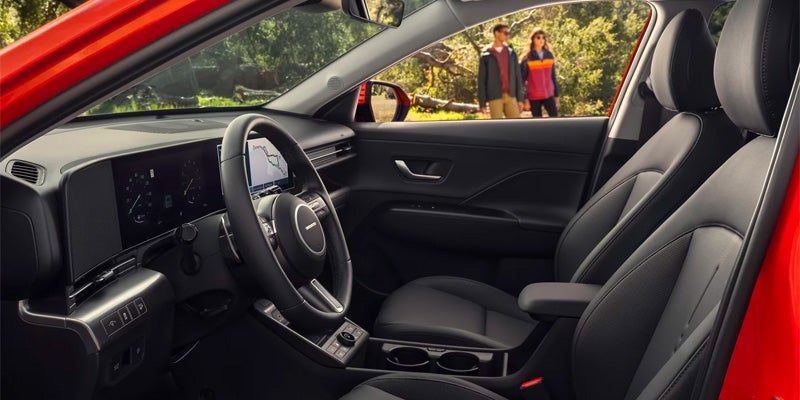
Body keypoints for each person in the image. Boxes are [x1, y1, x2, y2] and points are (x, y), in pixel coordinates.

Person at [478, 23, 525, 119]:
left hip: (511, 96)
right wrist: (482, 103)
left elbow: (518, 76)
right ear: (497, 33)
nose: (508, 35)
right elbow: (481, 80)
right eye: (505, 33)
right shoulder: (486, 54)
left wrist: (520, 98)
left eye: (509, 33)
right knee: (497, 128)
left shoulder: (511, 52)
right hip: (495, 96)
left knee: (517, 127)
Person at [520, 28, 560, 117]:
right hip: (533, 96)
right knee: (537, 124)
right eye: (538, 37)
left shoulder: (549, 55)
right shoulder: (527, 58)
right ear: (533, 40)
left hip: (549, 95)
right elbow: (522, 81)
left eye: (543, 37)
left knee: (555, 120)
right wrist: (525, 99)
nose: (541, 40)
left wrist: (556, 97)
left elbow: (553, 77)